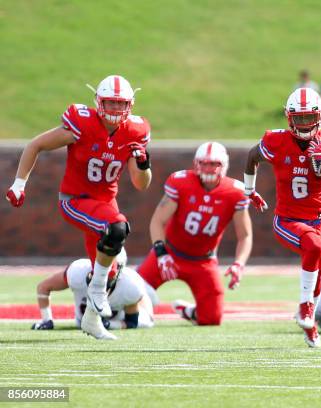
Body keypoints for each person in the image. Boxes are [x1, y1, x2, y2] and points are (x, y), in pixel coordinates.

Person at [5, 75, 152, 340]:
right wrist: (18, 184)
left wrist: (144, 164)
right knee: (116, 228)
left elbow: (141, 184)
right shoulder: (82, 122)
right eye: (110, 103)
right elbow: (35, 145)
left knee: (110, 271)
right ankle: (95, 293)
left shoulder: (136, 131)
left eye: (121, 104)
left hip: (105, 204)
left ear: (130, 104)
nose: (116, 109)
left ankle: (91, 320)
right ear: (98, 101)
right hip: (76, 200)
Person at [244, 87, 321, 348]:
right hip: (287, 220)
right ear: (289, 118)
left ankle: (310, 326)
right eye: (298, 118)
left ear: (319, 116)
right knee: (313, 245)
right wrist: (249, 190)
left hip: (316, 219)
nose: (303, 123)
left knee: (320, 268)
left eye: (307, 118)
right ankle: (304, 307)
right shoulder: (276, 141)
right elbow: (251, 157)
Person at [137, 142, 252, 326]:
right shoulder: (181, 182)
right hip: (171, 254)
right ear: (195, 163)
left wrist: (239, 264)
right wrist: (161, 254)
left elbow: (245, 235)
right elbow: (158, 221)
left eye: (214, 164)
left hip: (203, 261)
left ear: (224, 166)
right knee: (132, 292)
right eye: (204, 163)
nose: (208, 168)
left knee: (212, 318)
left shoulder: (235, 192)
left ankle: (190, 312)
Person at [31, 249, 154, 339]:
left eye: (110, 268)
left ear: (120, 270)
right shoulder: (77, 272)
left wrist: (110, 325)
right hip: (82, 322)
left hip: (118, 318)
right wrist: (46, 320)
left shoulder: (129, 286)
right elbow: (43, 287)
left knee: (148, 321)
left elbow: (131, 322)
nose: (105, 273)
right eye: (102, 266)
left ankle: (147, 294)